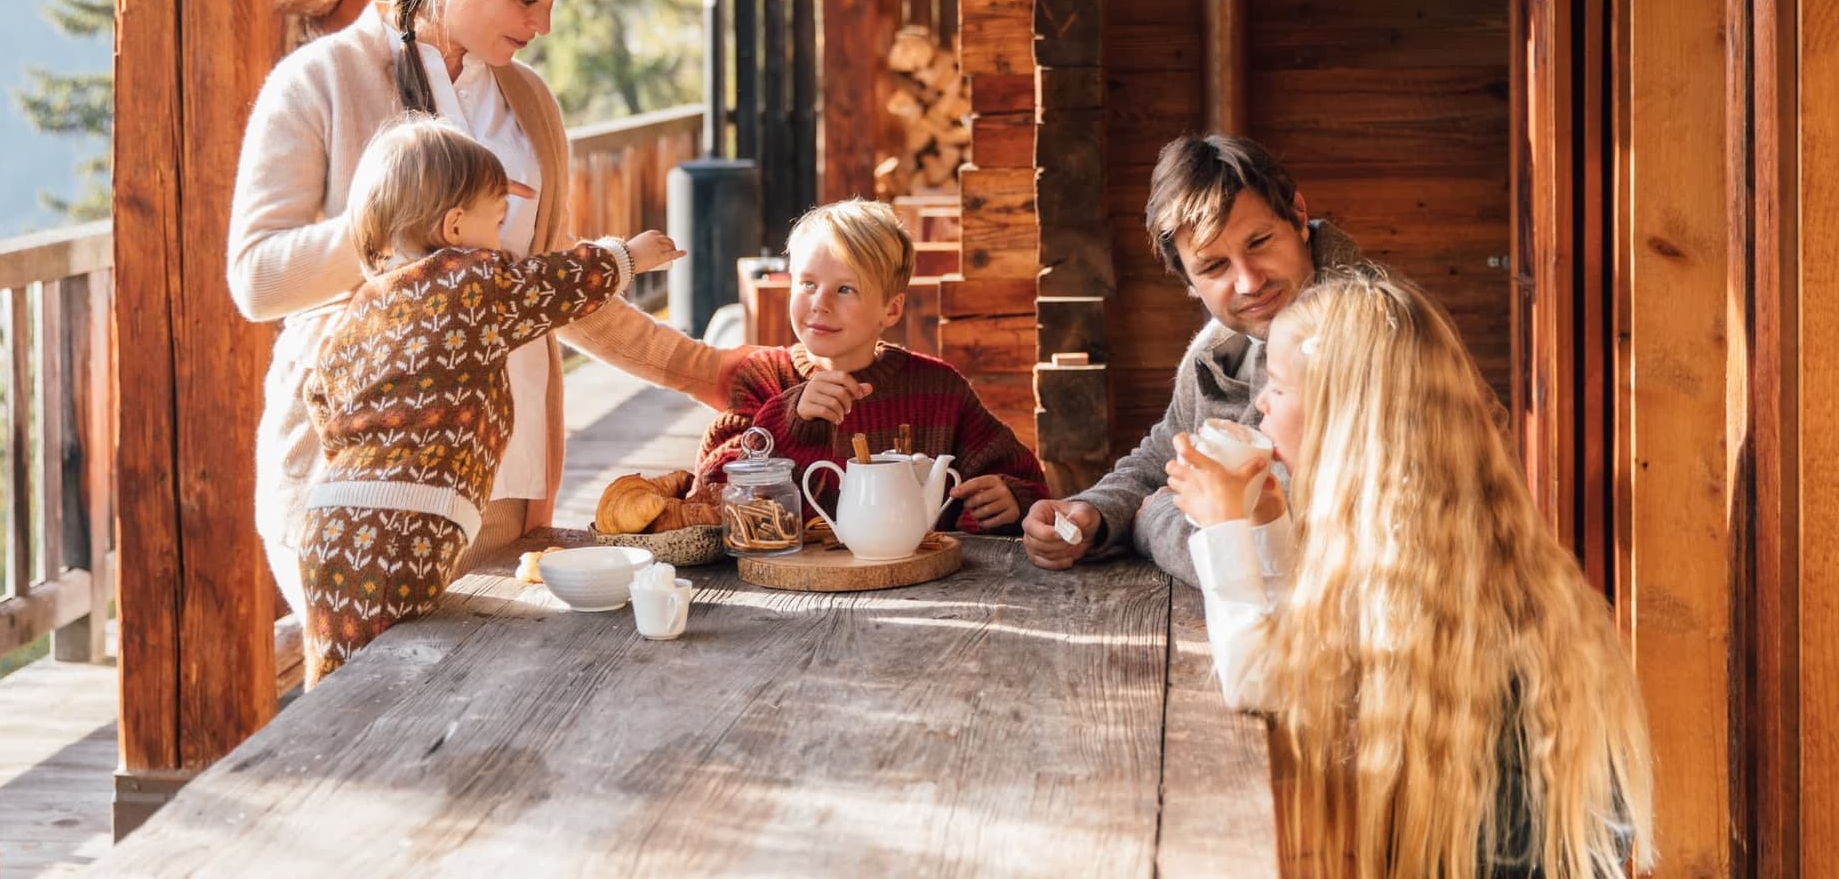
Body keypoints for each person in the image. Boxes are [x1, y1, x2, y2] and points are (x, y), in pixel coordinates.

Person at [228, 0, 748, 615]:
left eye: (553, 2)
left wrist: (706, 371)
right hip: (353, 487)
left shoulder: (527, 101)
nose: (542, 25)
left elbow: (551, 289)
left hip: (501, 484)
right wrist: (406, 228)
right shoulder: (321, 83)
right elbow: (258, 279)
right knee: (369, 721)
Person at [1166, 268, 1654, 877]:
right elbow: (1299, 651)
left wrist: (1224, 531)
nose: (1260, 401)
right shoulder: (1439, 546)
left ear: (1344, 418)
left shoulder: (1400, 585)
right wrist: (1265, 522)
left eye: (1281, 388)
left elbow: (1261, 685)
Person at [298, 117, 682, 683]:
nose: (504, 243)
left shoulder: (363, 308)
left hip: (329, 523)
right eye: (497, 221)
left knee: (337, 676)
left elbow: (320, 394)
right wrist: (626, 257)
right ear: (455, 226)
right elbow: (548, 284)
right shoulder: (470, 280)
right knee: (384, 683)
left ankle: (319, 754)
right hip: (399, 526)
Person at [1022, 134, 1362, 581]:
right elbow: (1167, 451)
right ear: (1185, 277)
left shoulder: (1367, 339)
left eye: (1259, 241)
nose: (1248, 282)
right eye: (1214, 267)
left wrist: (1153, 522)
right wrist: (1093, 513)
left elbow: (1276, 555)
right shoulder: (1220, 345)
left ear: (1298, 217)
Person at [691, 199, 1046, 533]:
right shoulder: (764, 378)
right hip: (784, 588)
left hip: (921, 586)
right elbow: (710, 492)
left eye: (845, 289)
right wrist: (788, 422)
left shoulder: (938, 390)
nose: (820, 303)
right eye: (808, 283)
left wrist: (1014, 498)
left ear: (891, 310)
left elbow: (1024, 480)